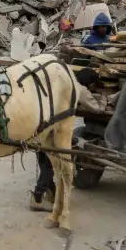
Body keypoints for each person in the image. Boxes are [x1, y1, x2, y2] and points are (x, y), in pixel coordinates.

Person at [30, 67, 101, 211]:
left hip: (40, 126)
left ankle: (52, 192)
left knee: (44, 161)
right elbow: (97, 108)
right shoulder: (80, 89)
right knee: (49, 165)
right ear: (91, 83)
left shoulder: (64, 82)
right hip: (52, 130)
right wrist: (104, 100)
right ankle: (37, 198)